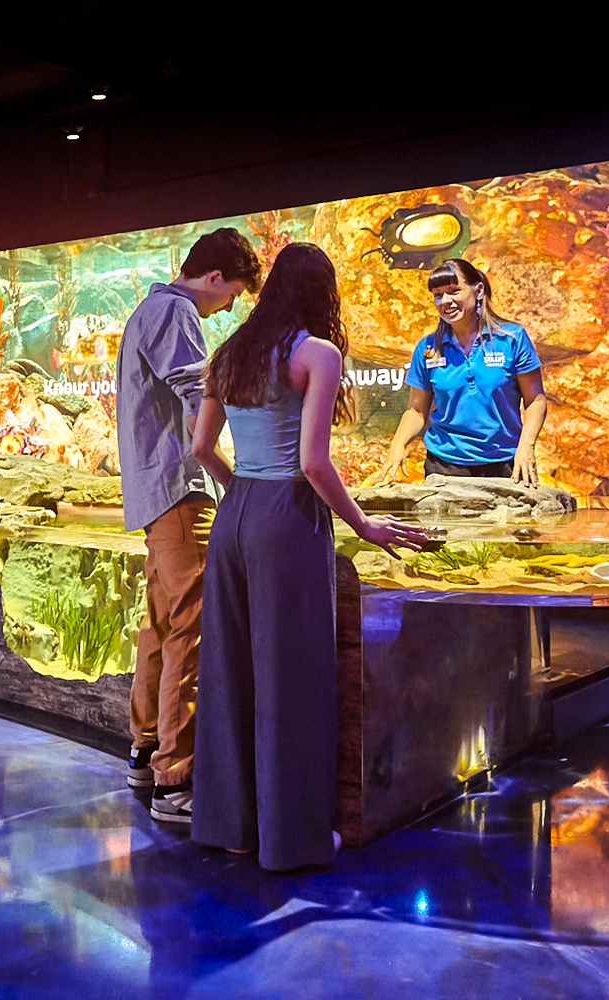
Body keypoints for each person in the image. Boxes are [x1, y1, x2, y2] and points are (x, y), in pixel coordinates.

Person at [189, 243, 427, 870]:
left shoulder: (231, 352)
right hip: (286, 517)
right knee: (289, 677)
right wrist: (365, 525)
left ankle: (233, 827)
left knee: (230, 669)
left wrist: (238, 490)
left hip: (235, 512)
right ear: (322, 293)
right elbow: (313, 463)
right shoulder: (318, 354)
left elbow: (201, 448)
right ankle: (292, 840)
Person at [115, 227, 263, 824]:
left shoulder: (148, 311)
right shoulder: (175, 312)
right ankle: (175, 780)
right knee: (189, 629)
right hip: (178, 492)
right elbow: (197, 387)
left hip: (158, 494)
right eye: (231, 296)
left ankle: (145, 747)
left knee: (158, 624)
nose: (227, 307)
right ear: (214, 278)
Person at [377, 258, 547, 485]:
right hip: (444, 466)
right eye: (438, 295)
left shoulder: (511, 339)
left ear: (478, 291)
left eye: (454, 291)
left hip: (505, 463)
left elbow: (535, 399)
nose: (445, 301)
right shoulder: (427, 349)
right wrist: (398, 444)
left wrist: (527, 446)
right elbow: (416, 410)